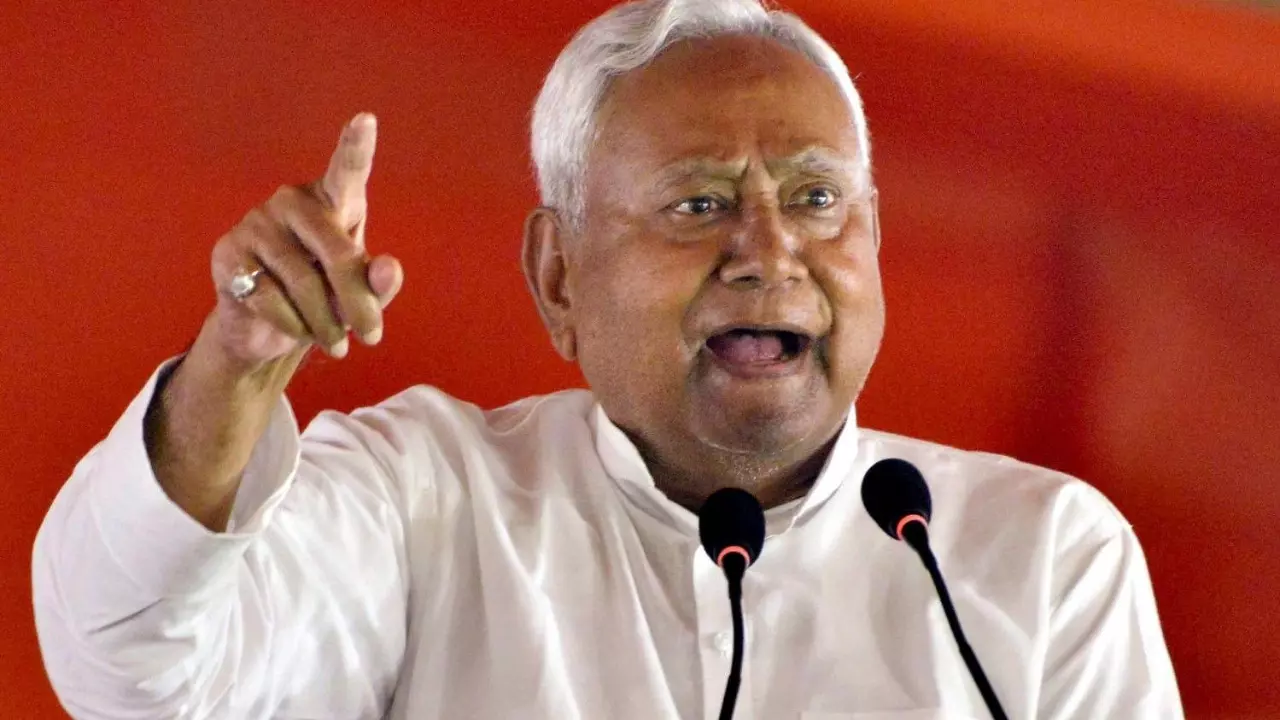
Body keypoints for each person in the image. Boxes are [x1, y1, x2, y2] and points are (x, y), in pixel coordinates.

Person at [32, 0, 1183, 718]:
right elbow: (133, 678)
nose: (766, 251)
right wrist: (230, 371)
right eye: (697, 203)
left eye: (815, 199)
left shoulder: (1040, 559)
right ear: (559, 277)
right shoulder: (423, 503)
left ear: (871, 243)